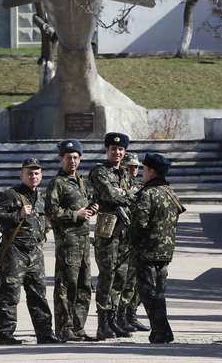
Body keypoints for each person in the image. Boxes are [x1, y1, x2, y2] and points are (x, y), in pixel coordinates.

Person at [0, 158, 62, 345]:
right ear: (22, 175)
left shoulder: (40, 197)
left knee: (39, 294)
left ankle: (45, 334)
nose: (33, 176)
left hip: (35, 251)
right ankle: (4, 334)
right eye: (29, 173)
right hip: (15, 250)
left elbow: (44, 220)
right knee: (10, 294)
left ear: (41, 175)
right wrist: (18, 215)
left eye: (37, 173)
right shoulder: (10, 194)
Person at [45, 140, 97, 342]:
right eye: (68, 158)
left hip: (83, 241)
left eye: (76, 157)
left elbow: (90, 200)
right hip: (68, 243)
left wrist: (93, 207)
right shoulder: (57, 183)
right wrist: (75, 214)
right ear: (61, 159)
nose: (72, 161)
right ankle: (64, 328)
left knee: (84, 285)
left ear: (80, 159)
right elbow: (50, 211)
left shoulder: (81, 180)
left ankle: (78, 327)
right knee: (67, 285)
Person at [131, 153, 184, 343]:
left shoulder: (147, 194)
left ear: (151, 171)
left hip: (147, 251)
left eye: (144, 170)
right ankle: (161, 330)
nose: (142, 174)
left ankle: (161, 330)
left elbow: (139, 224)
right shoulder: (169, 191)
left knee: (149, 293)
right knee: (159, 293)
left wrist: (131, 240)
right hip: (165, 251)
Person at [89, 132, 135, 340]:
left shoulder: (125, 174)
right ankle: (102, 323)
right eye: (113, 149)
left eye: (120, 149)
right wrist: (126, 195)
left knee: (121, 276)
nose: (117, 152)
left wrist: (126, 195)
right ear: (107, 150)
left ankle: (113, 319)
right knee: (107, 275)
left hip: (124, 231)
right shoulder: (99, 171)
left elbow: (135, 193)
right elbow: (109, 194)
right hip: (107, 231)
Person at [118, 152, 150, 333]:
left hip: (137, 238)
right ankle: (121, 316)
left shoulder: (140, 186)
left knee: (137, 280)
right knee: (124, 280)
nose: (133, 170)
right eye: (129, 166)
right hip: (122, 239)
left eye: (136, 167)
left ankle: (132, 314)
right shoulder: (119, 185)